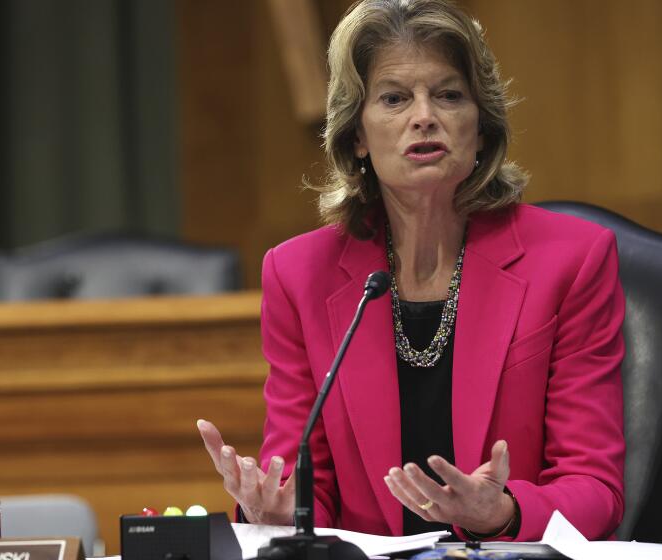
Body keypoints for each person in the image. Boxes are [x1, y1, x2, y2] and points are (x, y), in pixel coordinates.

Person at [198, 0, 624, 542]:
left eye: (449, 95)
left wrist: (504, 512)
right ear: (357, 134)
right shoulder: (299, 274)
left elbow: (596, 488)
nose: (424, 115)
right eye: (395, 98)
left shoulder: (571, 260)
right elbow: (311, 487)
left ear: (481, 125)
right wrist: (281, 512)